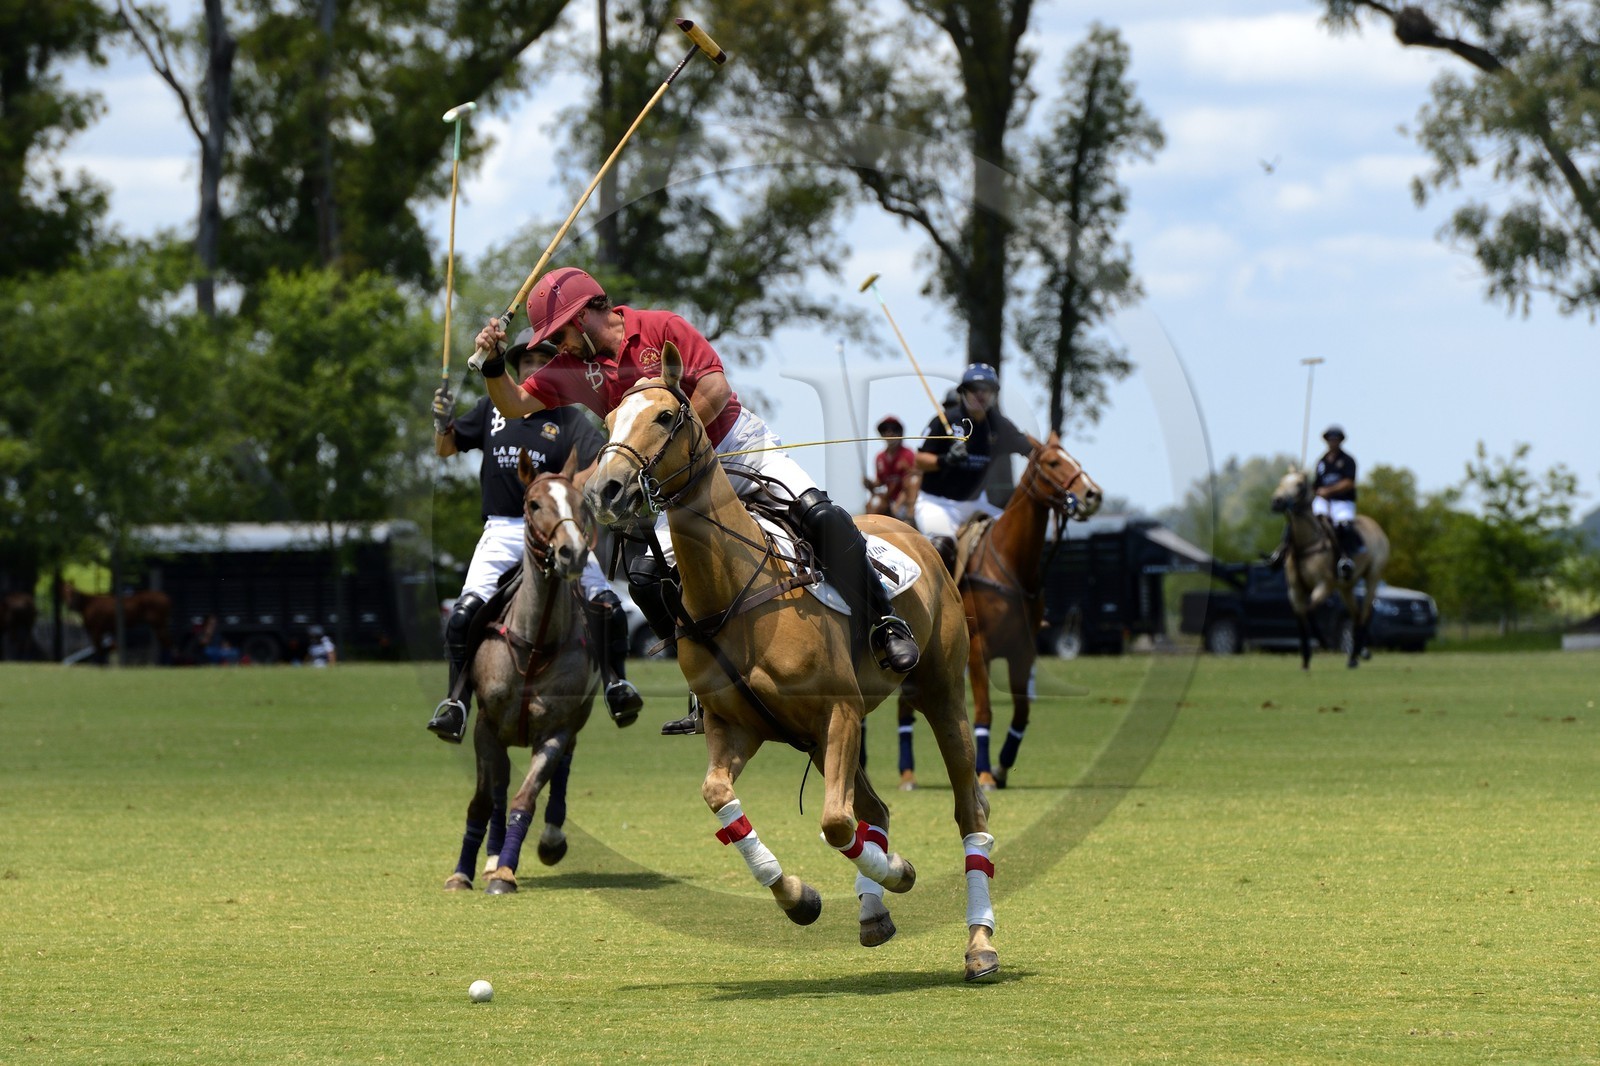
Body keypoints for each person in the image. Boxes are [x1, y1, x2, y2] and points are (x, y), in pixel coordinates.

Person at [474, 266, 920, 736]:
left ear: (582, 315)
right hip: (679, 481)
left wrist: (673, 449)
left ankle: (885, 622)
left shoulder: (661, 327)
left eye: (558, 333)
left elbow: (714, 389)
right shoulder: (573, 368)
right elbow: (514, 403)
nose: (555, 345)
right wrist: (493, 365)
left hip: (737, 447)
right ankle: (708, 686)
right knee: (646, 579)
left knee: (820, 514)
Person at [425, 327, 644, 744]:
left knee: (608, 605)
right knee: (464, 612)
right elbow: (446, 447)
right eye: (528, 361)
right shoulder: (491, 409)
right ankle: (456, 702)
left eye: (545, 362)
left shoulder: (568, 418)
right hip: (504, 529)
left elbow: (600, 459)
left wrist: (569, 489)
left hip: (558, 529)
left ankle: (616, 683)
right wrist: (440, 422)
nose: (536, 368)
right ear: (517, 368)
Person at [911, 363, 1039, 573]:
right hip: (939, 504)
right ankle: (939, 593)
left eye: (986, 389)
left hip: (976, 503)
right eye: (974, 389)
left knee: (1017, 532)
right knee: (943, 545)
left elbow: (1031, 450)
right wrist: (946, 459)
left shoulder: (999, 425)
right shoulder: (945, 420)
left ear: (993, 394)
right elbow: (919, 460)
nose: (980, 395)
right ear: (963, 392)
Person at [1313, 425, 1361, 580]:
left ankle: (1345, 558)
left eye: (1335, 439)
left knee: (1344, 525)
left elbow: (1349, 483)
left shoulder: (1347, 460)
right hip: (1324, 501)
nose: (1332, 442)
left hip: (1342, 502)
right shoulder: (1321, 462)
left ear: (1340, 441)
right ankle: (1284, 552)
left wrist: (1328, 491)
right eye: (1330, 439)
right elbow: (1316, 484)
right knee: (1305, 518)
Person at [863, 415, 917, 520]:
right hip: (889, 500)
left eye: (894, 429)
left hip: (906, 502)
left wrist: (898, 505)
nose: (889, 433)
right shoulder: (880, 458)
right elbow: (879, 481)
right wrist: (870, 483)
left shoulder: (908, 454)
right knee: (874, 504)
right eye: (885, 430)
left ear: (900, 433)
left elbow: (912, 484)